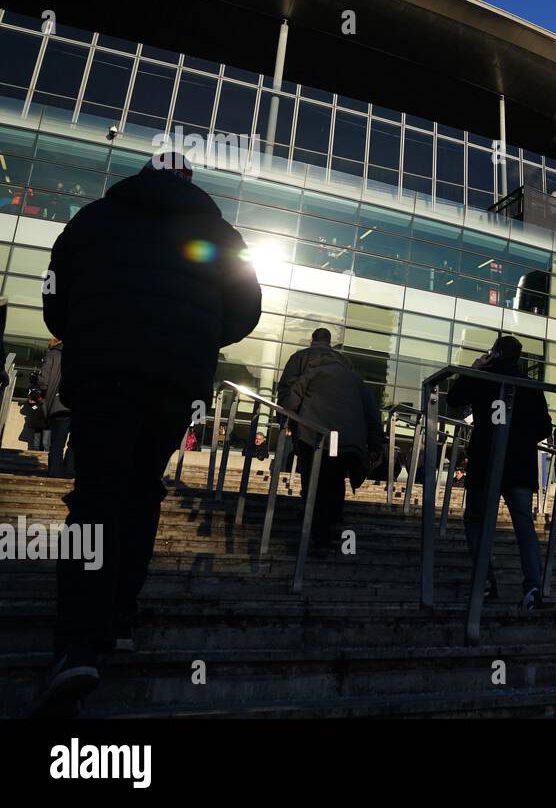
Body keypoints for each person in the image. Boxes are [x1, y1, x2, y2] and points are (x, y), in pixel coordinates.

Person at [32, 151, 261, 718]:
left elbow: (55, 299)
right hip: (173, 378)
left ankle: (78, 645)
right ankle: (120, 618)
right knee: (141, 491)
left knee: (97, 496)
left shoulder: (91, 219)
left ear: (140, 175)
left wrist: (89, 328)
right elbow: (247, 309)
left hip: (104, 372)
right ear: (189, 182)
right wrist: (200, 338)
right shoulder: (220, 231)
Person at [448, 336, 552, 609]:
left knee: (475, 519)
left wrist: (475, 367)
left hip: (486, 459)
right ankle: (532, 587)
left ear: (494, 353)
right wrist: (521, 434)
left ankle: (485, 580)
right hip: (519, 464)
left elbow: (454, 398)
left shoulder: (484, 375)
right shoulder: (530, 385)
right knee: (523, 525)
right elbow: (544, 427)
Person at [281, 343, 382, 548]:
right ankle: (332, 524)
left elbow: (292, 399)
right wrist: (375, 444)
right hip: (346, 442)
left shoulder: (312, 372)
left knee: (313, 484)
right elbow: (373, 413)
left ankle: (319, 535)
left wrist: (287, 424)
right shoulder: (355, 379)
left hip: (313, 437)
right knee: (335, 482)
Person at [276, 328, 335, 494]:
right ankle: (323, 505)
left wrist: (283, 417)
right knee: (329, 463)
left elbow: (287, 387)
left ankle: (308, 498)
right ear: (329, 341)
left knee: (307, 458)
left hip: (304, 418)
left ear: (312, 339)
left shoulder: (299, 357)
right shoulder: (341, 361)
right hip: (332, 420)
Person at [36, 339, 73, 478]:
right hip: (80, 406)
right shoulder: (85, 355)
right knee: (74, 444)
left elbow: (43, 381)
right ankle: (70, 471)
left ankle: (55, 473)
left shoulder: (52, 354)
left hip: (58, 405)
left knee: (57, 444)